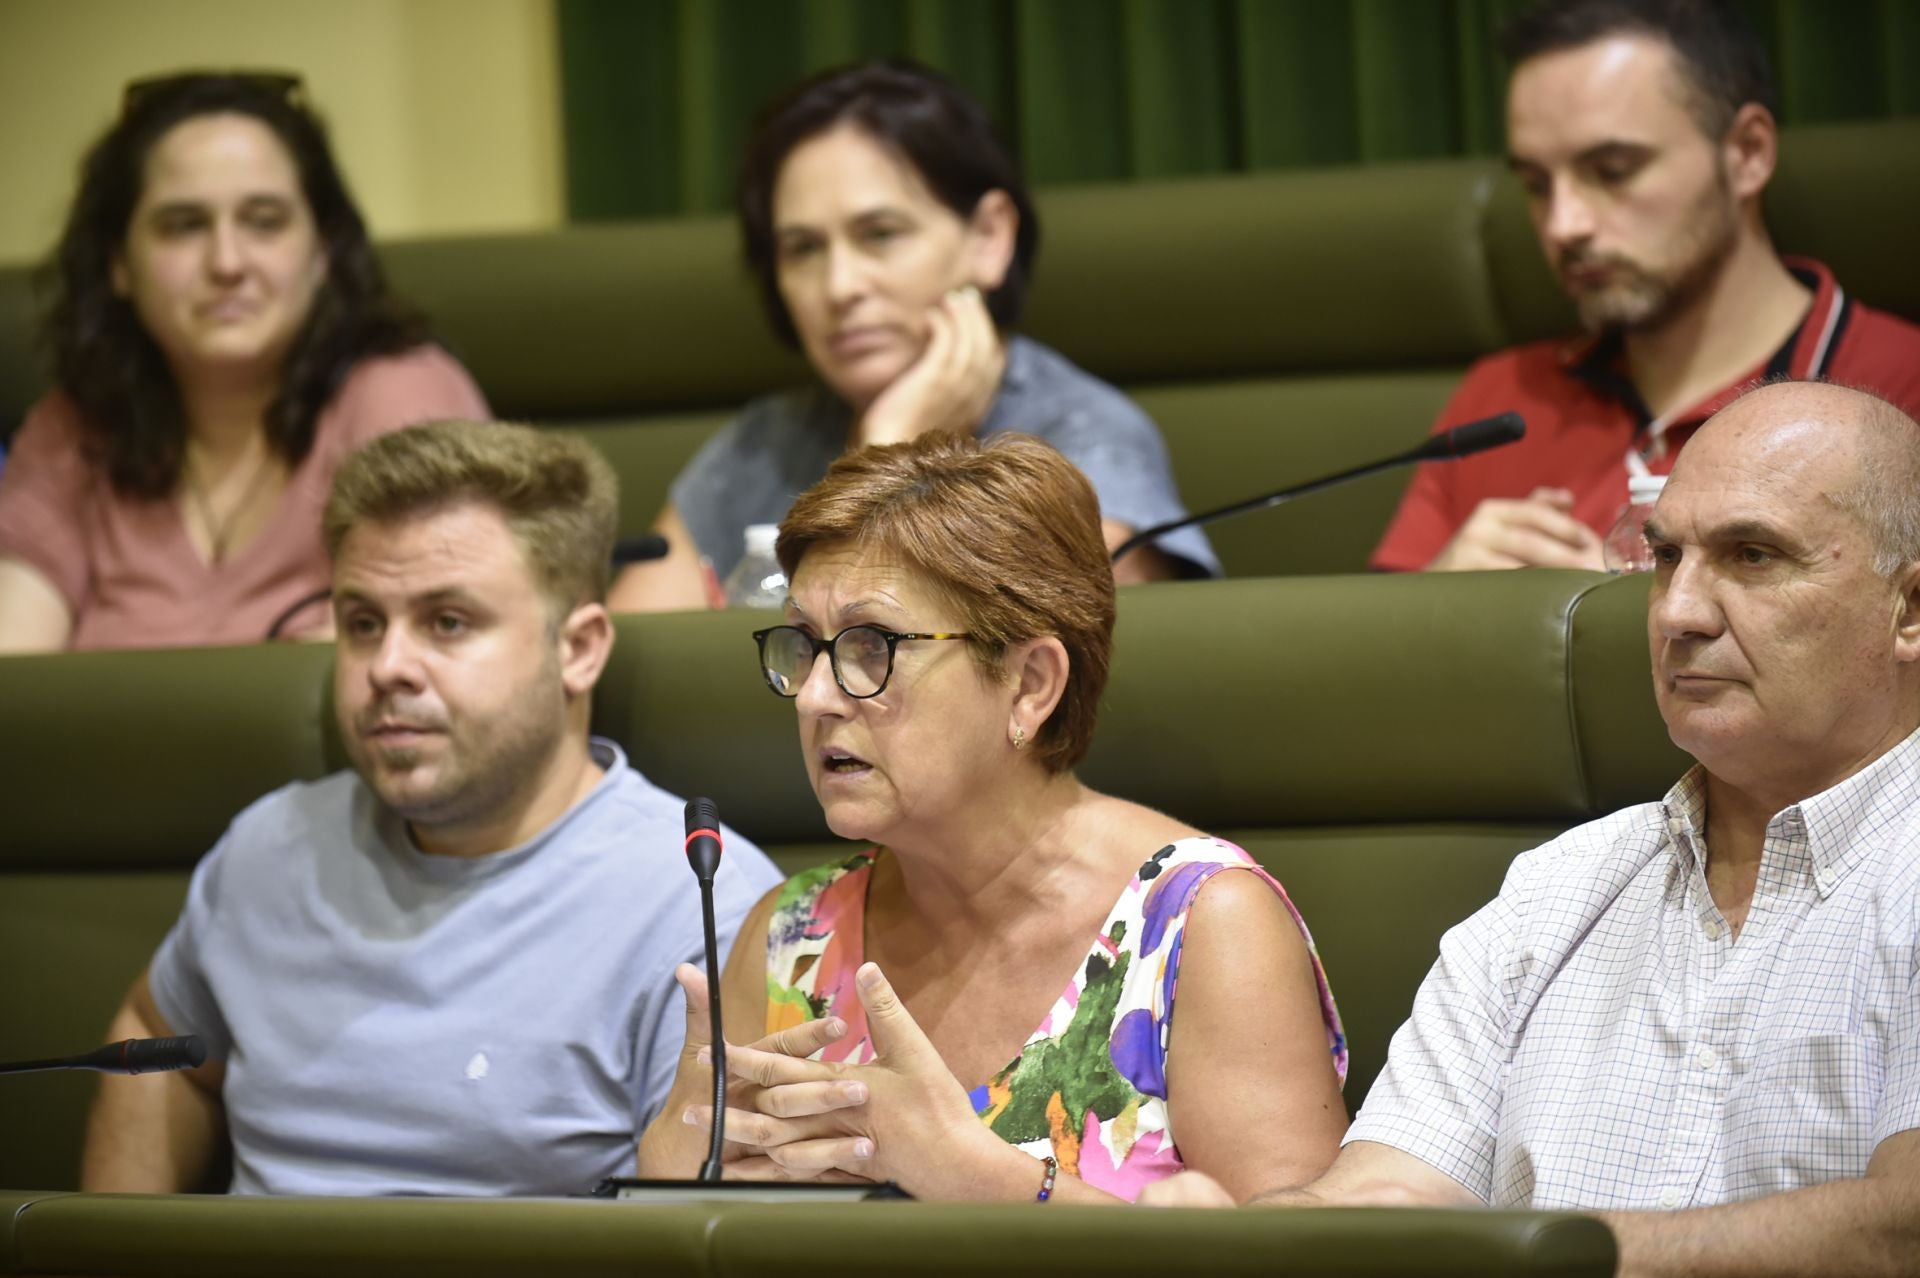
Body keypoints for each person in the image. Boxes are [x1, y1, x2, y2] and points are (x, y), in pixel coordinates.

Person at [1150, 380, 1920, 1276]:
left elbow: (1901, 1229)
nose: (1678, 612)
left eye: (1752, 556)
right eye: (1665, 557)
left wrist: (1530, 1262)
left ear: (1908, 609)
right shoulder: (1555, 889)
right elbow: (1385, 1195)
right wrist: (1242, 1237)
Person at [79, 420, 782, 1196]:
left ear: (578, 649)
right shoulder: (270, 845)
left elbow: (702, 1219)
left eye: (447, 622)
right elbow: (156, 1036)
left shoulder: (705, 904)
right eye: (363, 623)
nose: (387, 667)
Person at [636, 432, 1345, 1201]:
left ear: (1030, 685)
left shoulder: (1203, 926)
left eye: (872, 646)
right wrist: (680, 1161)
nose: (814, 695)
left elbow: (1292, 1253)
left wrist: (979, 1179)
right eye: (805, 645)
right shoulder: (789, 936)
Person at [607, 60, 1217, 613]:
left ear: (989, 237)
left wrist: (892, 450)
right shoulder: (763, 444)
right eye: (803, 248)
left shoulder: (1084, 437)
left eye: (881, 234)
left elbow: (1066, 657)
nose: (840, 286)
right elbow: (622, 664)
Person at [1371, 0, 1920, 573]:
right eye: (1536, 184)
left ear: (1747, 153)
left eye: (1613, 171)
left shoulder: (1899, 388)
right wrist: (1438, 601)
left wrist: (1614, 616)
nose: (1564, 225)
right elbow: (1371, 629)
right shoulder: (1499, 401)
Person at [0, 72, 488, 652]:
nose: (227, 263)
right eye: (183, 226)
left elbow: (431, 639)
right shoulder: (72, 430)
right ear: (119, 264)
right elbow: (14, 669)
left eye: (264, 221)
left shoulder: (400, 392)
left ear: (322, 251)